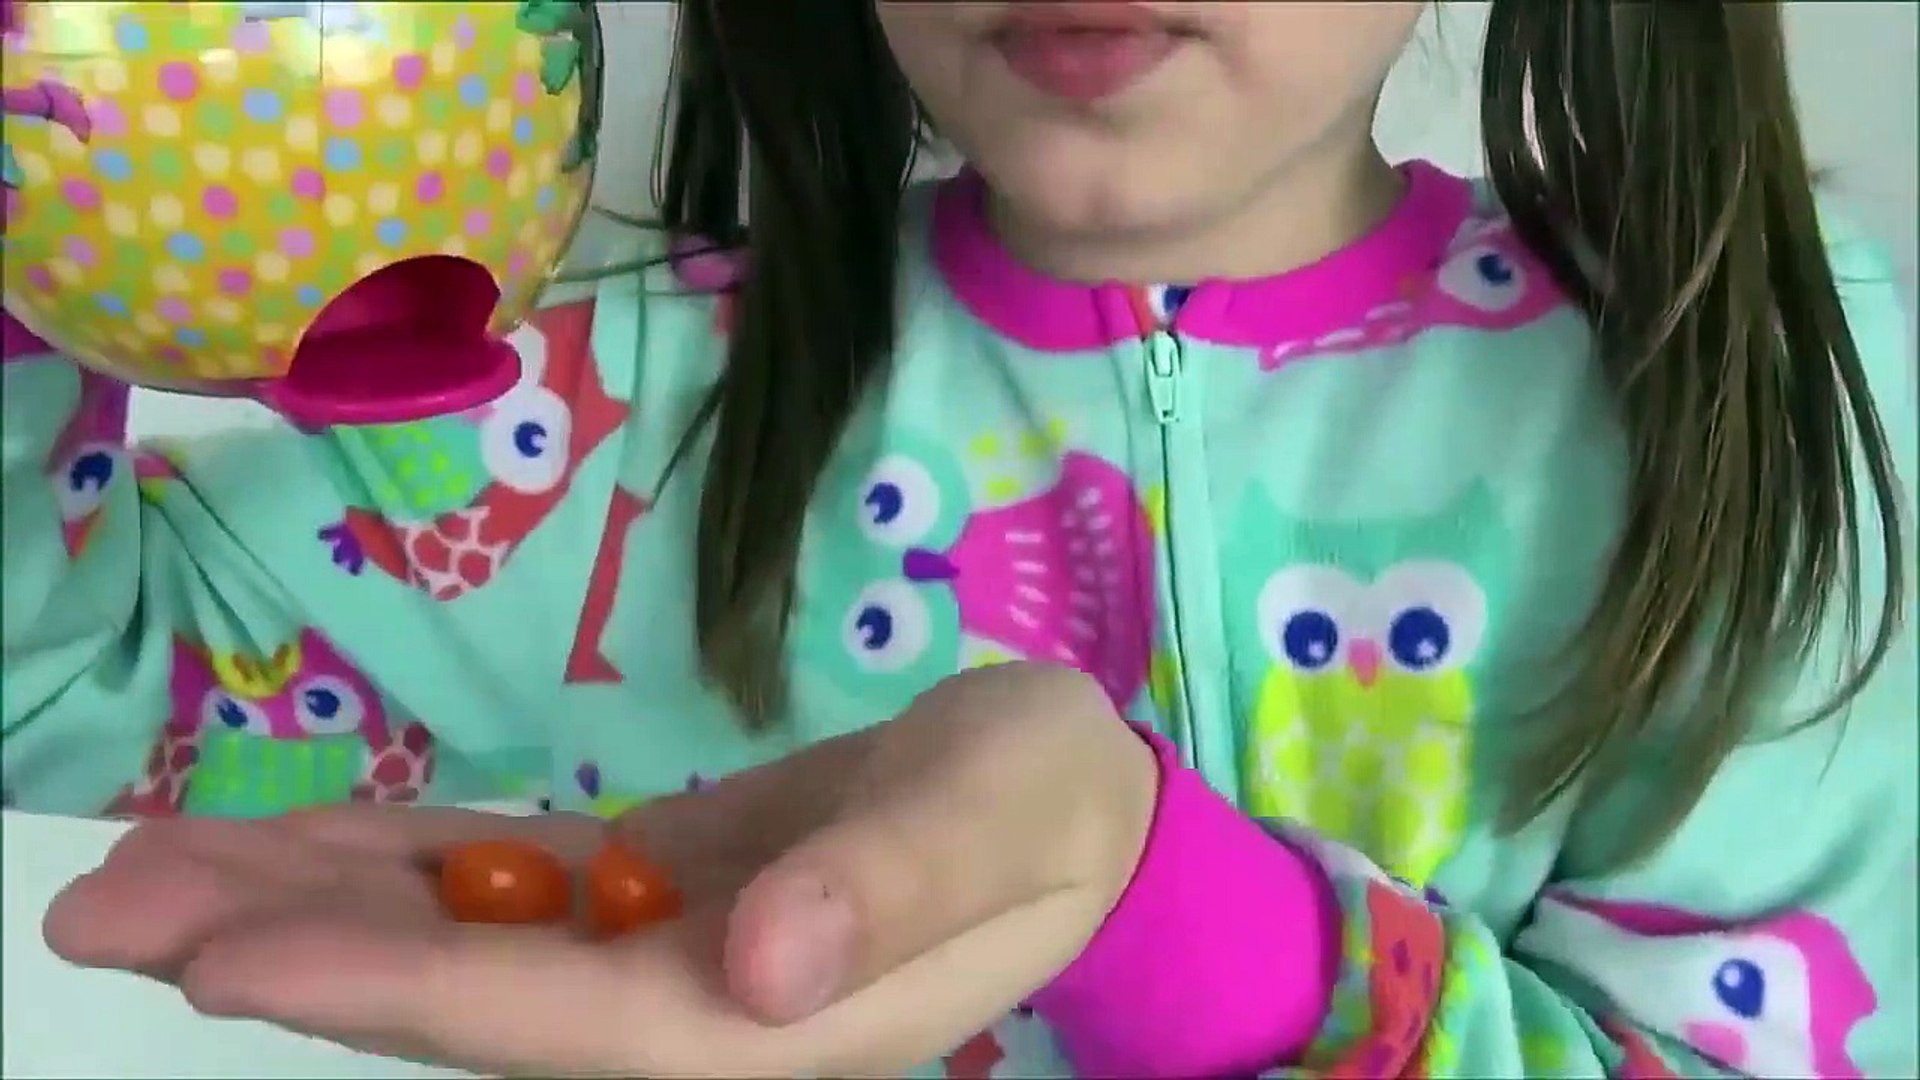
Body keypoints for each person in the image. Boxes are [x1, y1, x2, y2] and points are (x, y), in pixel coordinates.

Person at [8, 1, 1915, 1076]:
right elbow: (60, 678)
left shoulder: (1736, 369)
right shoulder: (597, 415)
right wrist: (39, 243)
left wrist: (1173, 914)